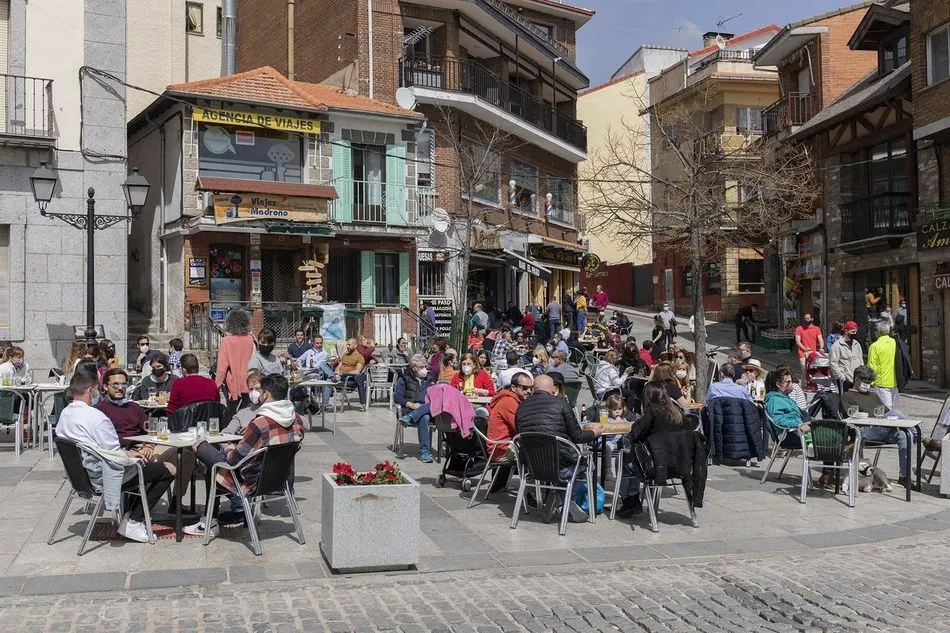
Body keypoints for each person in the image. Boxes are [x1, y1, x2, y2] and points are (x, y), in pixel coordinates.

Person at [57, 372, 174, 543]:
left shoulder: (65, 414)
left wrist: (133, 450)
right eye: (97, 390)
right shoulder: (97, 417)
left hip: (80, 477)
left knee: (148, 464)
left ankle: (130, 515)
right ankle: (133, 520)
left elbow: (108, 450)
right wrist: (132, 455)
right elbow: (116, 457)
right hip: (101, 475)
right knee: (168, 470)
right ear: (91, 390)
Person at [185, 373, 304, 536]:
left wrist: (227, 448)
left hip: (250, 480)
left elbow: (235, 459)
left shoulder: (259, 424)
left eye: (260, 390)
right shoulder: (296, 420)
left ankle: (210, 521)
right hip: (277, 479)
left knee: (204, 450)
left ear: (266, 393)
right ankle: (211, 520)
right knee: (212, 465)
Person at [98, 367, 194, 504]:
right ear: (106, 387)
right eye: (115, 384)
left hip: (146, 448)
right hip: (123, 453)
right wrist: (133, 448)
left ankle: (176, 501)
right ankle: (139, 506)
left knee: (186, 456)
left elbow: (149, 428)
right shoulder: (100, 410)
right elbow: (106, 439)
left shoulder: (133, 407)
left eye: (124, 384)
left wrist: (148, 444)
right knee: (166, 468)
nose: (120, 388)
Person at [516, 375, 606, 519]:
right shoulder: (561, 403)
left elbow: (520, 436)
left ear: (534, 389)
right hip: (560, 466)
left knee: (564, 461)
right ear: (552, 389)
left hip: (532, 468)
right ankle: (558, 495)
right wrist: (594, 433)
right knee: (588, 464)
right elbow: (577, 436)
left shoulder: (521, 407)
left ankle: (558, 496)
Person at [840, 365, 921, 484]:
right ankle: (921, 438)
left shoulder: (873, 395)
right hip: (863, 430)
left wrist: (885, 418)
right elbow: (851, 416)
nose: (866, 384)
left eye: (869, 382)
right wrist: (878, 417)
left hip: (882, 429)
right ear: (856, 379)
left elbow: (886, 412)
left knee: (904, 436)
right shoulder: (847, 396)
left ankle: (905, 476)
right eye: (864, 381)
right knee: (896, 412)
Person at [619, 382, 688, 516]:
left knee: (625, 460)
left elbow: (633, 435)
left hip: (656, 466)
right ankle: (633, 501)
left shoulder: (652, 413)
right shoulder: (677, 412)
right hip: (680, 465)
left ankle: (630, 501)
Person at [394, 354, 436, 463]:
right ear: (414, 368)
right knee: (424, 417)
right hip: (410, 408)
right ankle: (425, 452)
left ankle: (411, 418)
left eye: (425, 366)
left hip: (427, 408)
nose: (424, 369)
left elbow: (436, 397)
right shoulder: (404, 378)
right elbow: (397, 397)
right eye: (421, 367)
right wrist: (411, 405)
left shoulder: (429, 379)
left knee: (428, 411)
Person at [216, 310, 255, 418]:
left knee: (232, 414)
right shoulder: (251, 339)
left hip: (233, 383)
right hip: (249, 380)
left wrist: (216, 386)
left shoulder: (226, 341)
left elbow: (221, 368)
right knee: (248, 412)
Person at [487, 369, 532, 464]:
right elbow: (521, 428)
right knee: (541, 453)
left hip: (503, 446)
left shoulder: (514, 400)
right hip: (501, 450)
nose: (528, 391)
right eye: (524, 388)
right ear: (513, 388)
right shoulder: (509, 402)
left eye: (531, 388)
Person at [764, 367, 812, 444]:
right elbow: (779, 420)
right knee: (825, 438)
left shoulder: (785, 398)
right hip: (787, 435)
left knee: (827, 433)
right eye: (788, 382)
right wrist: (798, 425)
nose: (792, 384)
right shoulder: (774, 400)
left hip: (797, 431)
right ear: (779, 385)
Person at [867, 321, 900, 408]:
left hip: (881, 381)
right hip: (895, 381)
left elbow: (872, 366)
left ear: (877, 332)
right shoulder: (894, 342)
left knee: (885, 410)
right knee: (894, 410)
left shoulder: (874, 346)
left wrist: (871, 381)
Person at [223, 370, 262, 435]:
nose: (254, 392)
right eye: (251, 389)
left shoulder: (271, 410)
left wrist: (252, 428)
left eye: (257, 389)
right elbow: (227, 432)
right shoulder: (242, 413)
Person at [830, 321, 862, 391]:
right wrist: (842, 378)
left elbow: (860, 361)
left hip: (856, 380)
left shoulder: (857, 344)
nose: (855, 334)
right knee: (844, 401)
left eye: (856, 332)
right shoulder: (837, 346)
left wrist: (861, 375)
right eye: (853, 332)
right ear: (846, 331)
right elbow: (833, 363)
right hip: (844, 380)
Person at [336, 338, 367, 410]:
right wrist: (337, 371)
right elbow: (339, 366)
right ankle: (324, 406)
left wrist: (342, 373)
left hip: (348, 378)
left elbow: (357, 371)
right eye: (347, 344)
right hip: (339, 376)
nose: (347, 346)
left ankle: (363, 402)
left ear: (355, 345)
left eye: (349, 344)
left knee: (359, 377)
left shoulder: (359, 357)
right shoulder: (345, 355)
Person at [794, 314, 823, 380]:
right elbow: (798, 342)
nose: (806, 320)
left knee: (814, 371)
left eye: (808, 318)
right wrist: (805, 349)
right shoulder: (799, 329)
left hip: (813, 354)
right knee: (804, 370)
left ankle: (813, 386)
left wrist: (821, 347)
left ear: (811, 319)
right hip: (803, 353)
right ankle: (804, 387)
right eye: (805, 318)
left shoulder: (816, 329)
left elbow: (820, 339)